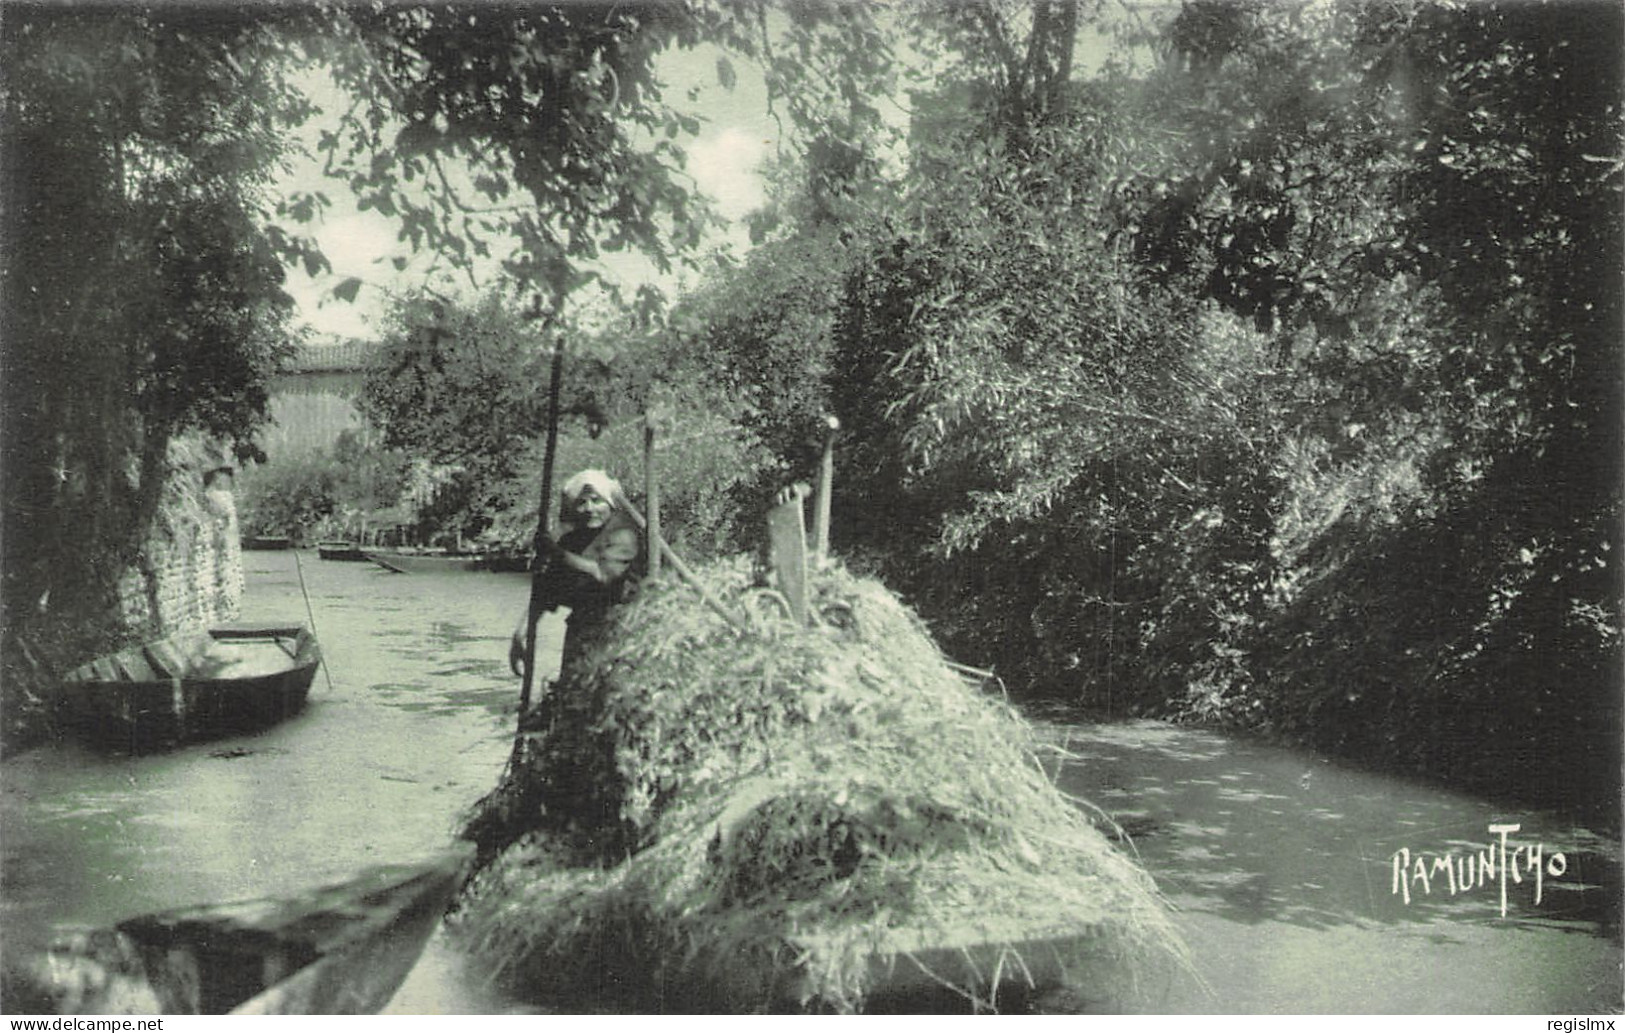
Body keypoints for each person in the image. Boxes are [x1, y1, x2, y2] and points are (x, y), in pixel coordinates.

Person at [508, 469, 642, 683]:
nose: (590, 509)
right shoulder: (571, 540)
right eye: (582, 503)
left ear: (610, 504)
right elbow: (546, 590)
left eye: (597, 501)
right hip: (580, 628)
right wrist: (521, 632)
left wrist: (556, 553)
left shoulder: (624, 535)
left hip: (619, 628)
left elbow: (604, 574)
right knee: (572, 692)